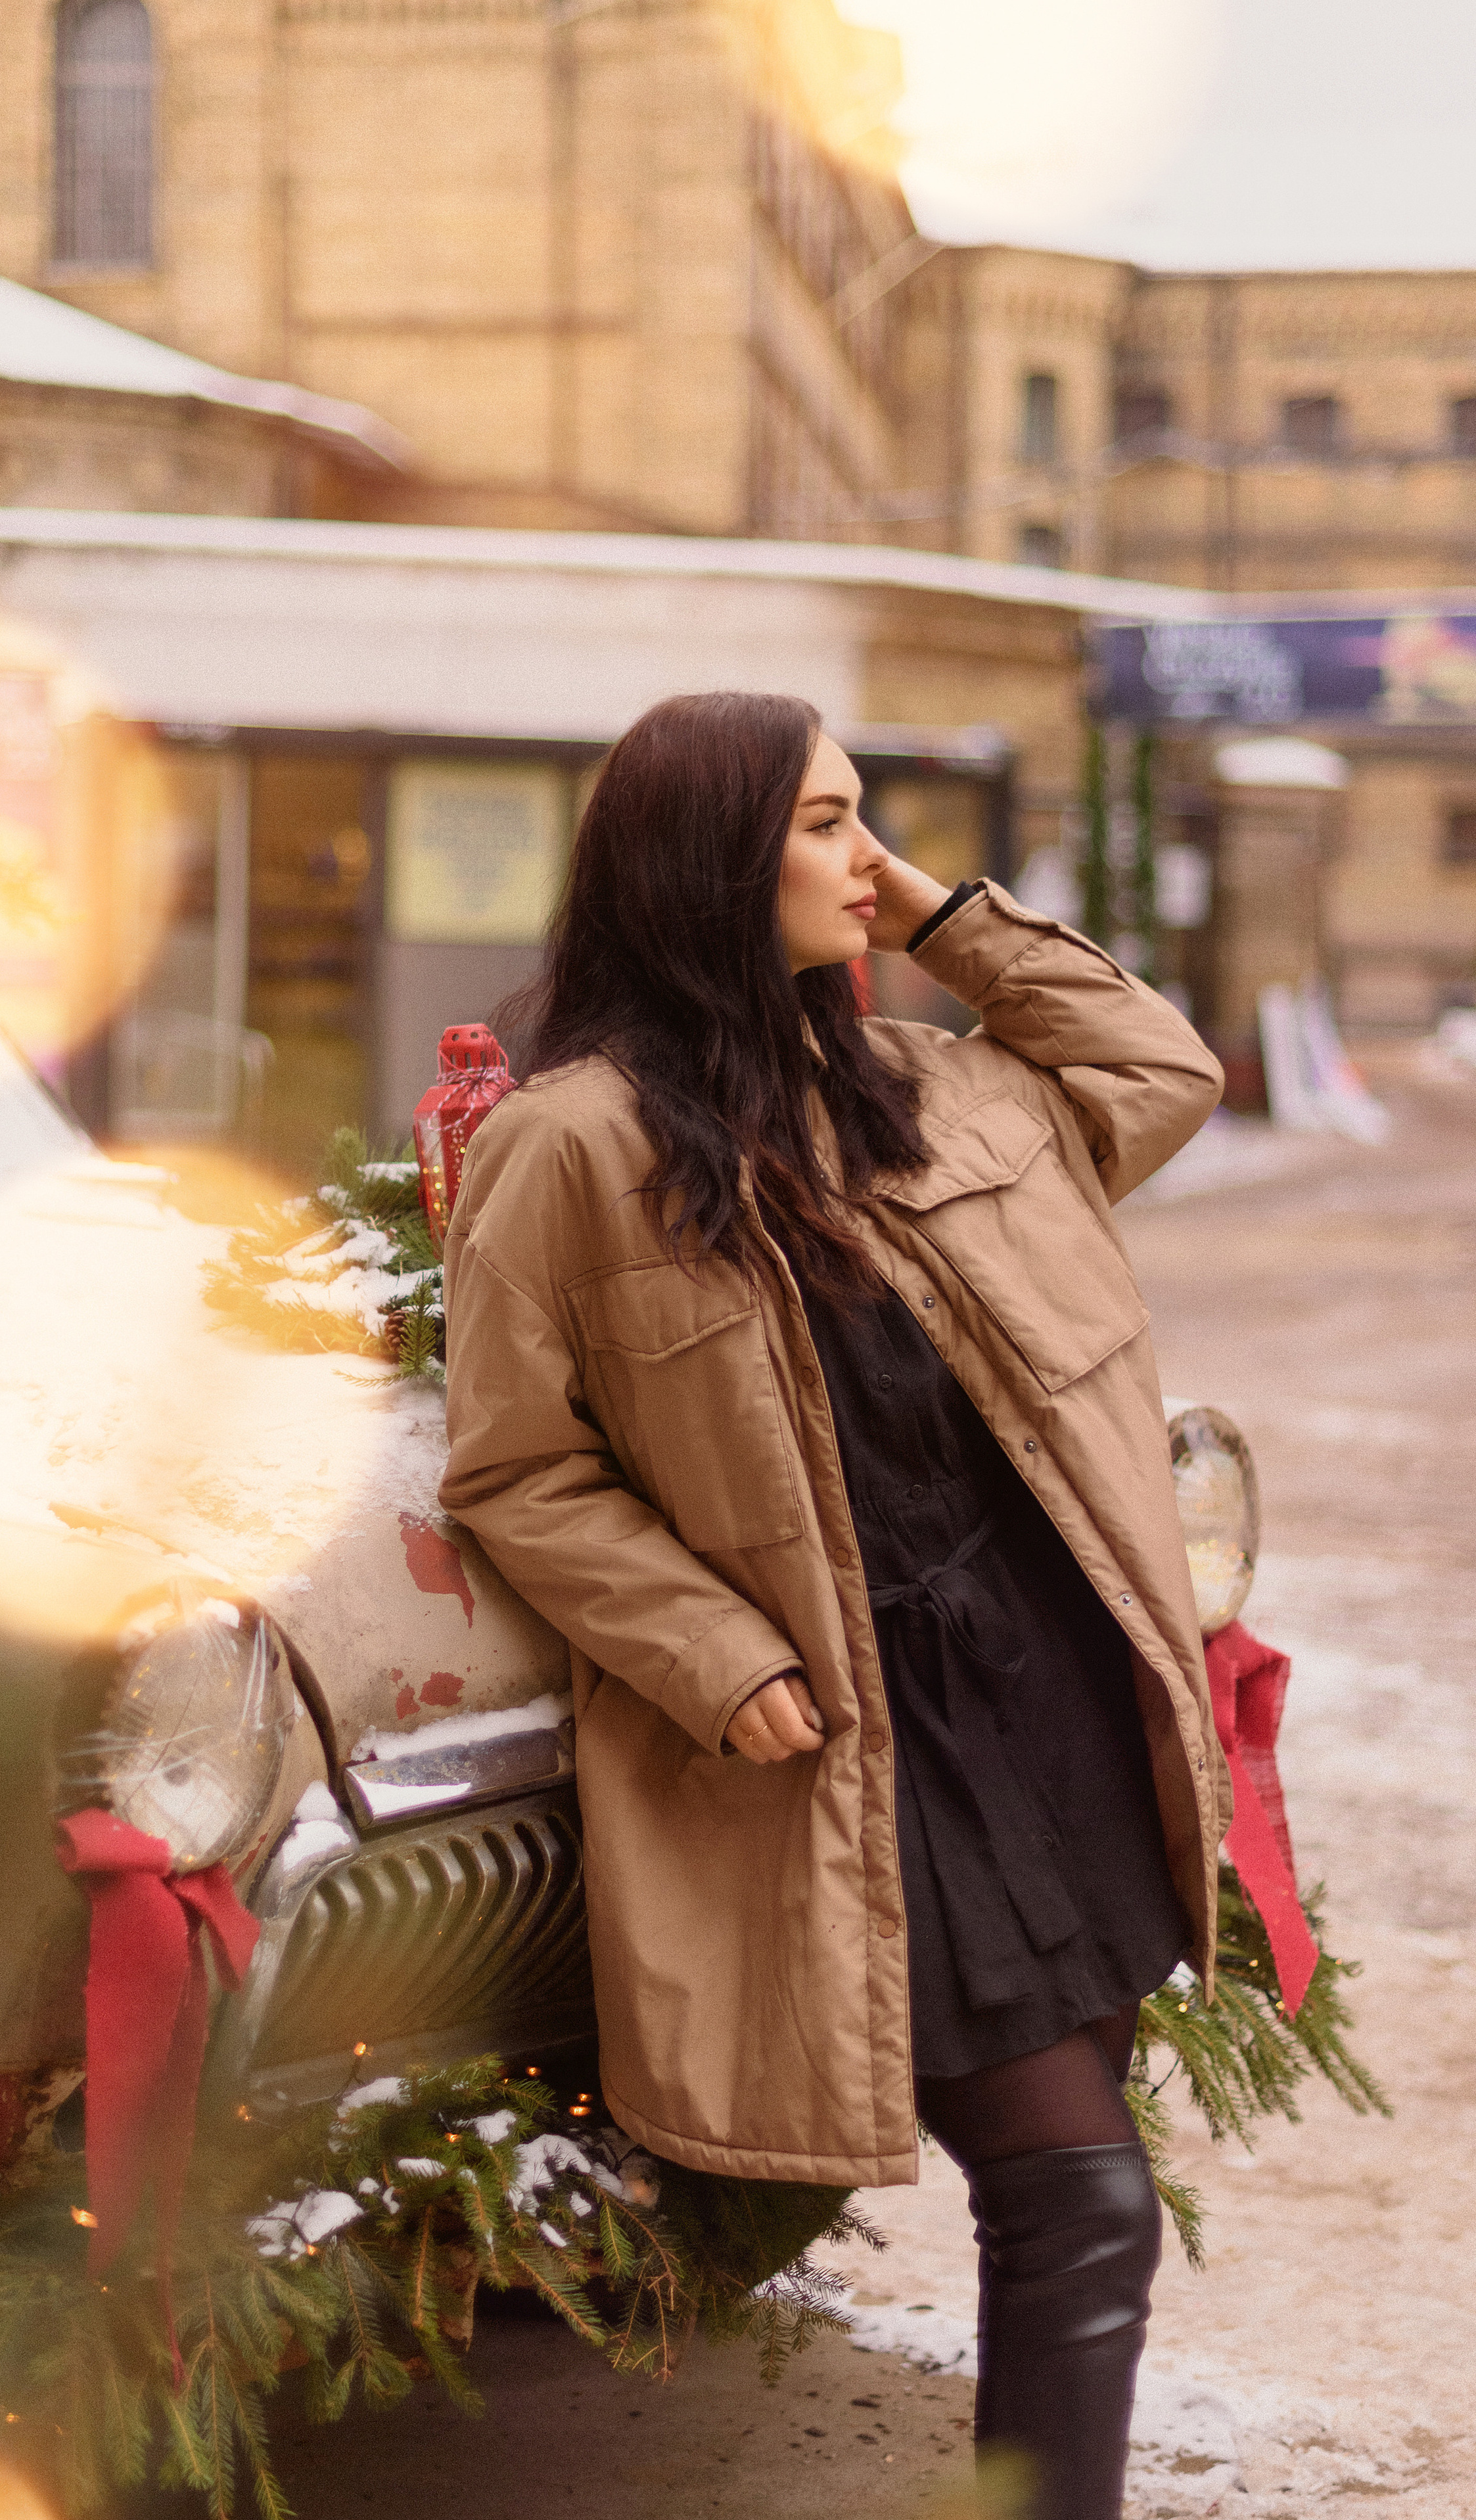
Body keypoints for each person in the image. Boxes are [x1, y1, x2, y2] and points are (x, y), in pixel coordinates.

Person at [439, 691, 1230, 2520]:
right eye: (821, 824)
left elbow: (1161, 1065)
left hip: (1041, 1685)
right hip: (856, 1742)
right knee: (1080, 2197)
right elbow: (516, 1469)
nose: (864, 859)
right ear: (708, 858)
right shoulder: (566, 1148)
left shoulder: (933, 1084)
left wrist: (941, 912)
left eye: (863, 817)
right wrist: (713, 1654)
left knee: (1068, 2196)